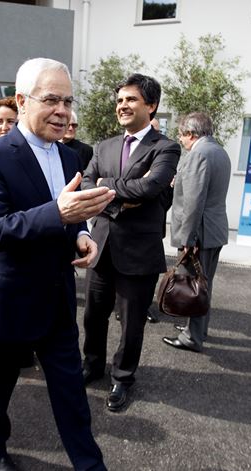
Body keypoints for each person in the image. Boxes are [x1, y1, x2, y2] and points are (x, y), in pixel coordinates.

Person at [0, 57, 114, 471]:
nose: (63, 111)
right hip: (7, 299)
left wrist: (83, 234)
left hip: (57, 299)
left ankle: (90, 465)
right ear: (21, 100)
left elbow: (71, 215)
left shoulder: (69, 158)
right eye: (51, 99)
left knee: (71, 394)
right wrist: (59, 214)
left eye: (67, 101)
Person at [80, 73, 180, 413]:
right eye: (120, 99)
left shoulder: (166, 147)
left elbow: (152, 189)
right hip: (101, 245)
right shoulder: (104, 146)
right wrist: (121, 194)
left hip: (138, 251)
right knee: (93, 316)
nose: (123, 105)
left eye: (131, 99)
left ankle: (122, 377)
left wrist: (106, 189)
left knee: (132, 321)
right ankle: (92, 365)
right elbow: (85, 187)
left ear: (151, 106)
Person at [161, 112, 231, 353]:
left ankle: (193, 337)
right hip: (214, 229)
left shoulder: (198, 154)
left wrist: (188, 239)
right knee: (204, 282)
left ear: (191, 134)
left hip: (200, 232)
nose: (180, 140)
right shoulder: (219, 151)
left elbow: (194, 201)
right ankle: (199, 329)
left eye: (181, 135)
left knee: (194, 284)